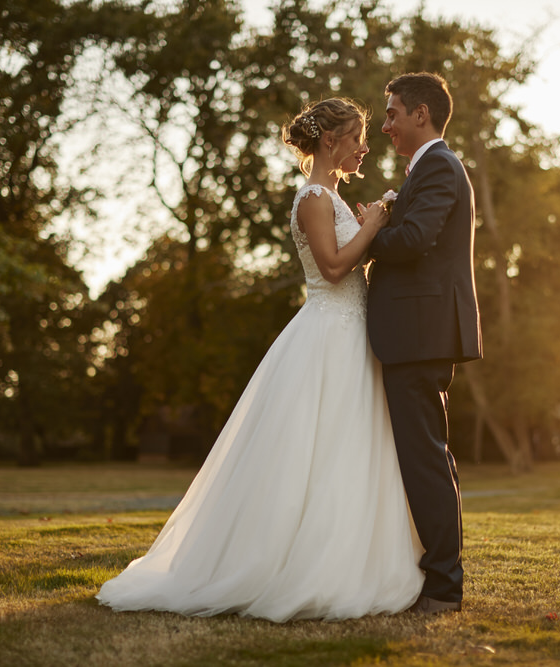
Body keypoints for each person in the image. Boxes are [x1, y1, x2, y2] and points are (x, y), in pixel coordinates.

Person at [96, 98, 425, 622]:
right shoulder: (313, 198)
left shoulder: (336, 198)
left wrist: (366, 224)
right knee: (315, 450)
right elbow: (335, 268)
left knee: (348, 448)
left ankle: (347, 556)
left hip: (353, 335)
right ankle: (294, 566)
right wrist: (376, 224)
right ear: (329, 142)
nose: (365, 147)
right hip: (326, 338)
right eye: (358, 137)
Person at [366, 72, 483, 614]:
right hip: (415, 334)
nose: (386, 125)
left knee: (425, 460)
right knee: (426, 457)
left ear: (421, 114)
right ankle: (435, 577)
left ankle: (442, 586)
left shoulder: (439, 164)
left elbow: (414, 240)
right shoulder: (425, 169)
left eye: (392, 113)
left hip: (420, 334)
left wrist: (365, 236)